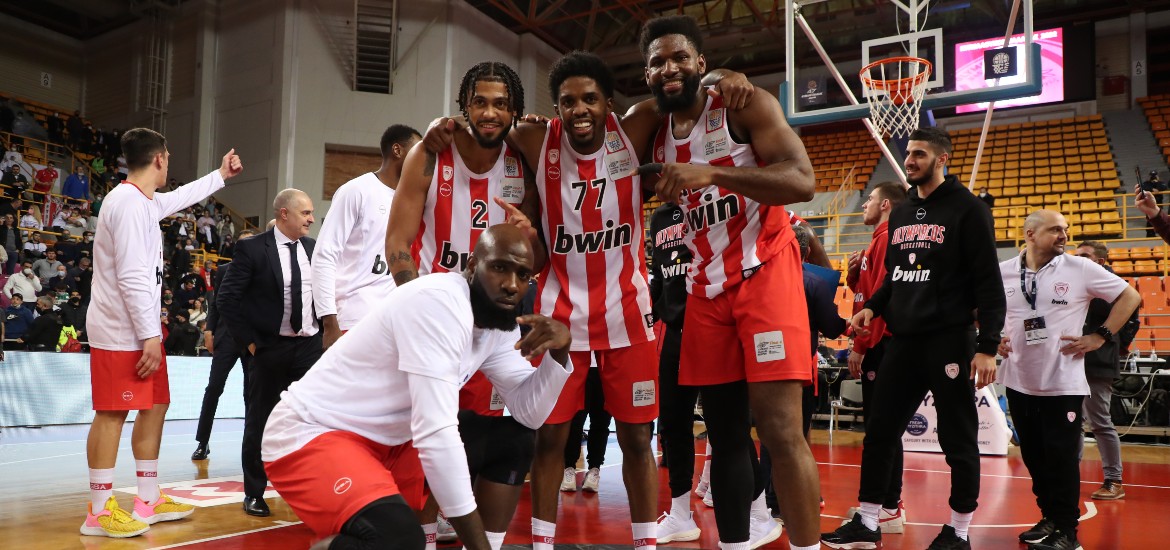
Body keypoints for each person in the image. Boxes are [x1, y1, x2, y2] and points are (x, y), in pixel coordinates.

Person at [263, 224, 573, 550]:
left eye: (523, 275)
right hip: (313, 433)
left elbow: (529, 413)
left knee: (513, 439)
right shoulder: (439, 303)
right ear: (472, 266)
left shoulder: (497, 325)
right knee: (399, 540)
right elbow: (435, 433)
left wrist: (560, 353)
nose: (511, 285)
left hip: (391, 440)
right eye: (499, 268)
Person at [639, 15, 818, 550]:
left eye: (679, 57)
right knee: (724, 436)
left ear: (700, 62)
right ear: (647, 74)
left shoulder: (742, 105)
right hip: (704, 292)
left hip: (765, 275)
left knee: (780, 431)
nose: (668, 68)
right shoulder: (652, 130)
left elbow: (802, 181)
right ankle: (736, 544)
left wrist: (714, 173)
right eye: (656, 62)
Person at [823, 127, 1005, 550]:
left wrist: (987, 347)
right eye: (908, 154)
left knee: (957, 438)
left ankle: (958, 530)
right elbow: (895, 276)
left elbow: (988, 283)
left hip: (949, 339)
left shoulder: (969, 209)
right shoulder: (904, 211)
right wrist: (873, 307)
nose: (910, 161)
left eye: (920, 154)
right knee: (879, 431)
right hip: (903, 340)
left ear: (943, 159)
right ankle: (869, 521)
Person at [81, 127, 241, 538]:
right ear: (159, 158)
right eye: (168, 157)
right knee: (112, 412)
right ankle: (98, 511)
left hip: (140, 328)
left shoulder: (144, 200)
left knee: (155, 405)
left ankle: (149, 498)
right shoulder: (128, 204)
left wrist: (220, 176)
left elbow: (181, 196)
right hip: (122, 330)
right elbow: (133, 276)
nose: (168, 164)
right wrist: (150, 334)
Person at [997, 210, 1140, 550]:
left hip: (1062, 382)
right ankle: (1050, 517)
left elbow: (1130, 297)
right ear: (1030, 234)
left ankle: (1067, 532)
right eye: (1055, 230)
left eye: (1065, 229)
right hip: (1018, 379)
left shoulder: (1080, 268)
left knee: (1061, 459)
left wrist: (1101, 335)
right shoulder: (1003, 271)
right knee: (1034, 457)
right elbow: (980, 309)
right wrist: (993, 337)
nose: (1064, 235)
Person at [217, 188, 323, 517]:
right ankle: (254, 492)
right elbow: (227, 299)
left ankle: (307, 489)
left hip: (310, 347)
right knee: (260, 421)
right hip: (269, 348)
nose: (311, 219)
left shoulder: (313, 248)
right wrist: (249, 343)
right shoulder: (252, 248)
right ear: (283, 214)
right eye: (305, 212)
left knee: (311, 421)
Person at [313, 124, 420, 350]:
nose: (422, 158)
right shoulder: (356, 191)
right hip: (355, 317)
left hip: (397, 318)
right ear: (397, 150)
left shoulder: (415, 200)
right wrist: (329, 322)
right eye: (417, 149)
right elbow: (324, 255)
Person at [648, 201, 704, 542]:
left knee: (728, 427)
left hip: (711, 323)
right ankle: (681, 513)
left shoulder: (708, 198)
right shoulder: (659, 217)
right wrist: (647, 315)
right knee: (672, 423)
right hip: (675, 331)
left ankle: (756, 511)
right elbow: (660, 277)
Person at [1073, 240, 1139, 502]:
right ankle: (1069, 475)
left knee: (1100, 421)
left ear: (1100, 261)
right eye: (1077, 255)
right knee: (1072, 421)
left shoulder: (1112, 284)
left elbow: (1131, 319)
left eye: (1085, 256)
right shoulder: (1076, 280)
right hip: (1073, 360)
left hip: (1098, 361)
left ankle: (1114, 480)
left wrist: (1114, 345)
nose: (1078, 259)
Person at [192, 229, 255, 460]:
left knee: (251, 393)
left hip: (252, 340)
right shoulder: (225, 270)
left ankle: (252, 445)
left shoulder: (263, 270)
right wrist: (209, 330)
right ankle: (202, 442)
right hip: (226, 337)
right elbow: (217, 303)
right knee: (214, 388)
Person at [560, 366, 610, 493]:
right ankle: (570, 468)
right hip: (580, 368)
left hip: (604, 369)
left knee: (600, 422)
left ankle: (593, 469)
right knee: (576, 421)